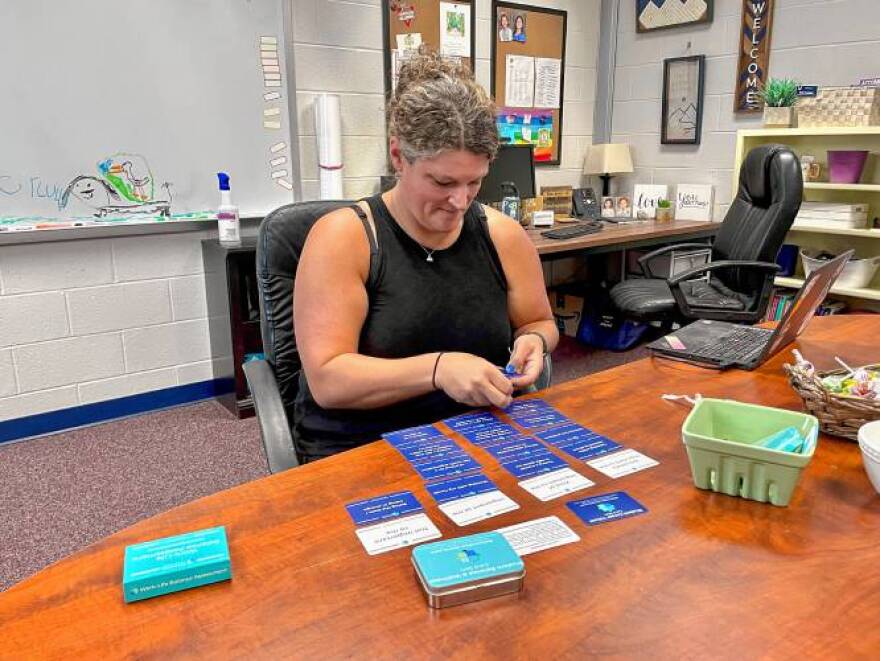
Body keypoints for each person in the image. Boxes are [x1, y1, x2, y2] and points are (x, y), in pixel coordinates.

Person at [293, 50, 558, 461]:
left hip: (473, 434)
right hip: (364, 446)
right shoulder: (344, 238)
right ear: (398, 156)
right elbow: (328, 380)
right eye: (442, 181)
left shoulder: (503, 235)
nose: (460, 200)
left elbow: (539, 321)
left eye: (475, 182)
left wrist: (535, 341)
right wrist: (439, 370)